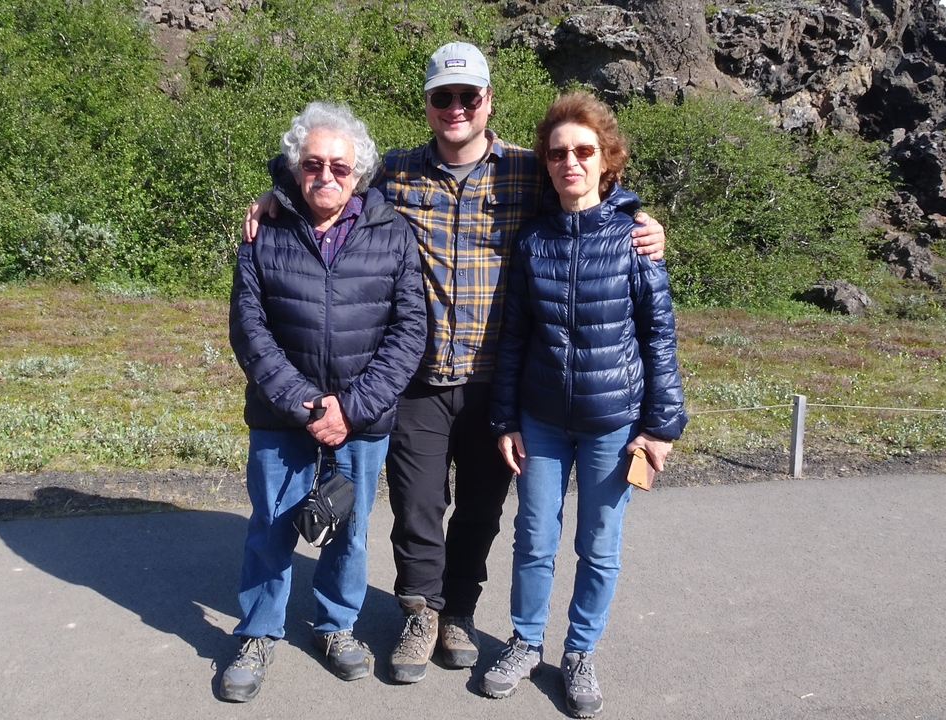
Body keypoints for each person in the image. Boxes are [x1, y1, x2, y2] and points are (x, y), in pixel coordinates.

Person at [242, 42, 667, 685]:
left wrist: (641, 217)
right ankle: (419, 610)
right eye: (444, 97)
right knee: (416, 510)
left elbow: (591, 190)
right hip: (418, 376)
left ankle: (458, 613)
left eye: (469, 96)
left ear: (488, 100)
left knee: (479, 510)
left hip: (500, 380)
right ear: (429, 104)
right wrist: (274, 193)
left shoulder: (527, 170)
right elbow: (329, 177)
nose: (457, 108)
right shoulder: (399, 173)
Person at [480, 91, 688, 718]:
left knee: (598, 547)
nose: (570, 162)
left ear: (606, 160)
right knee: (533, 539)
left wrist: (661, 426)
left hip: (611, 423)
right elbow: (513, 334)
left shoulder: (635, 240)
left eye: (584, 151)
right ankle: (524, 641)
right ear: (546, 162)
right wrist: (505, 418)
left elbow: (659, 336)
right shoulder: (532, 241)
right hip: (541, 420)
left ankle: (579, 652)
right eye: (558, 153)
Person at [223, 101, 426, 703]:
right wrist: (306, 403)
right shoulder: (267, 228)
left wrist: (352, 409)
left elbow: (410, 330)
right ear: (295, 166)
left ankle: (336, 627)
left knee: (349, 529)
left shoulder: (391, 231)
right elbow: (248, 328)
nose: (326, 176)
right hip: (282, 414)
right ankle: (258, 632)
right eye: (313, 164)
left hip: (360, 419)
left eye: (340, 166)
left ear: (359, 170)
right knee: (271, 526)